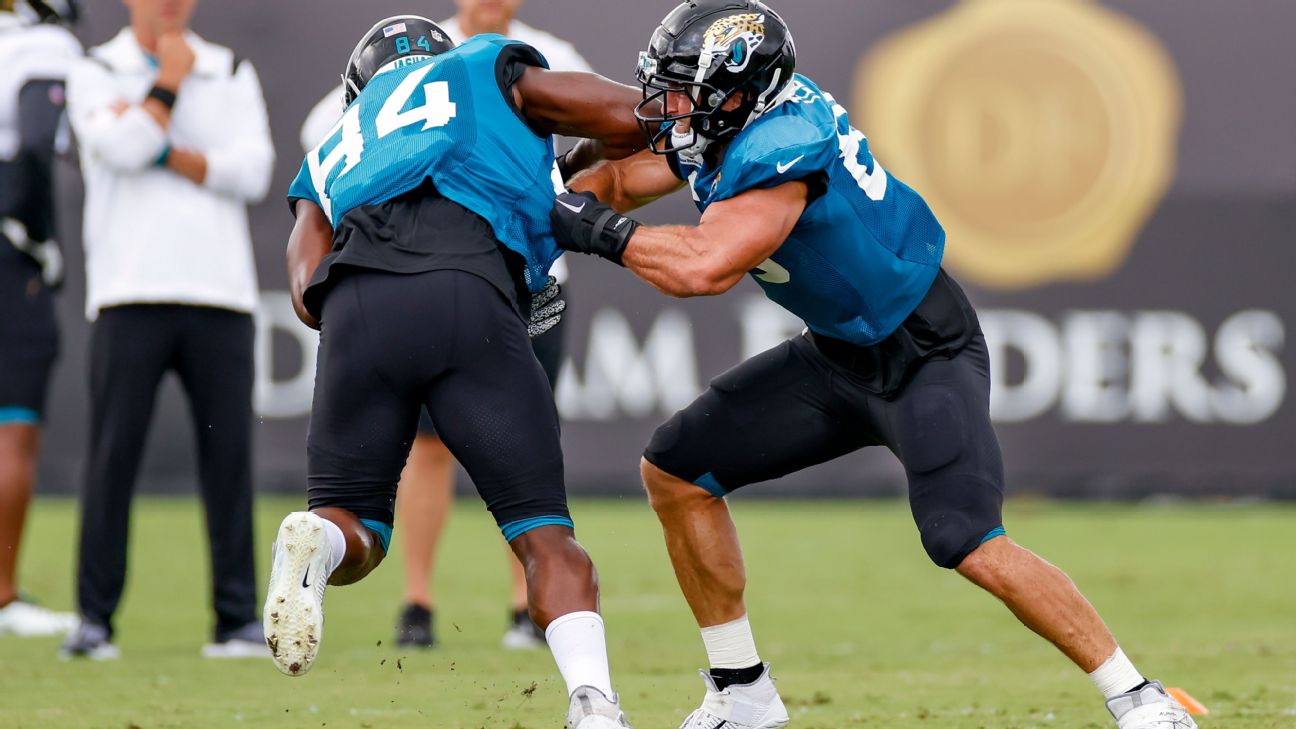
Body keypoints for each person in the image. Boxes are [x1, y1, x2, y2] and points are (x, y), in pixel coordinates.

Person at [550, 2, 1200, 728]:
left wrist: (589, 229)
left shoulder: (782, 145)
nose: (667, 108)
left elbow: (705, 267)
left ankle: (1139, 695)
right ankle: (742, 689)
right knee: (676, 470)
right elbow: (613, 180)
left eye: (683, 91)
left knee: (966, 539)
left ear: (741, 91)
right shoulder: (724, 120)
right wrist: (546, 195)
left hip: (924, 350)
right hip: (837, 354)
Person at [267, 15, 646, 728]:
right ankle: (593, 702)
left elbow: (304, 284)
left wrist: (367, 304)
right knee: (543, 534)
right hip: (469, 285)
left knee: (353, 523)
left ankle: (318, 541)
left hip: (355, 307)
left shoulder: (336, 146)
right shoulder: (480, 66)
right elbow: (625, 113)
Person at [298, 0, 594, 651]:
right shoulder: (444, 56)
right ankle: (421, 599)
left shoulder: (544, 52)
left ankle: (522, 605)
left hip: (411, 283)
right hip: (477, 276)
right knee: (489, 464)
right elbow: (331, 129)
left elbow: (319, 167)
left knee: (515, 449)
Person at [60, 0, 274, 660]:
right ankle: (95, 619)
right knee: (112, 458)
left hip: (221, 293)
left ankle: (236, 620)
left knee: (229, 463)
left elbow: (254, 171)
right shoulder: (94, 68)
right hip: (130, 291)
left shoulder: (231, 68)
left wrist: (159, 142)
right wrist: (168, 84)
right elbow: (117, 150)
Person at [0, 0, 80, 639]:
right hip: (7, 248)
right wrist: (35, 233)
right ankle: (2, 595)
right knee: (13, 424)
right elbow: (30, 143)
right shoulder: (40, 46)